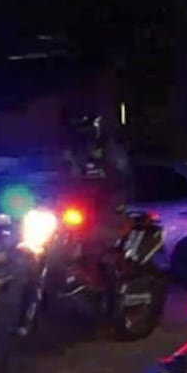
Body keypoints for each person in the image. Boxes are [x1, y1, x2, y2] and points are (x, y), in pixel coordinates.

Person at [59, 113, 133, 289]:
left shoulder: (110, 150)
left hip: (107, 203)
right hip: (82, 205)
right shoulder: (71, 152)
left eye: (87, 129)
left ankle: (111, 283)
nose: (84, 134)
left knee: (98, 236)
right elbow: (64, 177)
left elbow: (121, 177)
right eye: (80, 130)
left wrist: (107, 194)